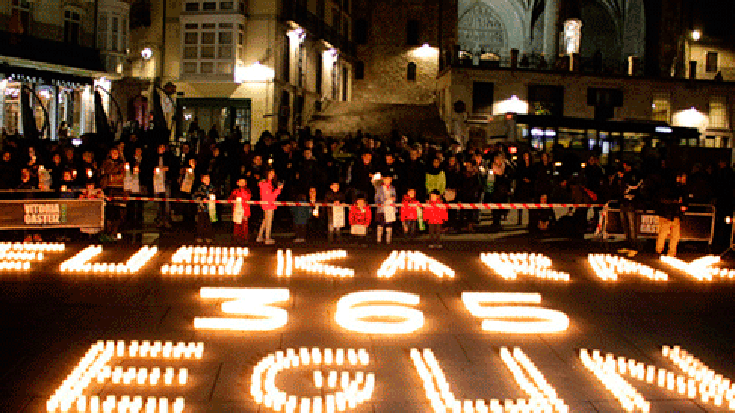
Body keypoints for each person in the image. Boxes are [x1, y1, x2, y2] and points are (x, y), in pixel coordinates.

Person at [655, 173, 687, 257]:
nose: (684, 180)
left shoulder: (681, 188)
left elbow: (684, 199)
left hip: (675, 214)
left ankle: (671, 252)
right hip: (667, 214)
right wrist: (676, 202)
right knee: (663, 233)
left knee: (675, 235)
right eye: (683, 178)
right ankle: (659, 250)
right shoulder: (669, 187)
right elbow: (662, 199)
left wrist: (683, 206)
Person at [257, 169, 283, 244]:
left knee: (265, 220)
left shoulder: (267, 183)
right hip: (269, 204)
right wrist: (278, 189)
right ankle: (267, 237)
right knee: (268, 221)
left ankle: (260, 236)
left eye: (273, 174)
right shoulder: (266, 184)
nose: (272, 175)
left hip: (267, 204)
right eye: (270, 173)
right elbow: (270, 196)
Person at [193, 173, 217, 243]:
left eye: (208, 178)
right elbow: (195, 196)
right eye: (205, 179)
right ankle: (200, 236)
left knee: (208, 223)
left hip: (210, 208)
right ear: (202, 180)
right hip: (201, 208)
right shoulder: (200, 188)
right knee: (201, 223)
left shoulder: (212, 187)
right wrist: (202, 199)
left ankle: (208, 236)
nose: (207, 180)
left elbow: (215, 194)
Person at [375, 174, 397, 244]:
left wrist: (393, 199)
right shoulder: (379, 188)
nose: (388, 181)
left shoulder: (392, 188)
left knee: (389, 224)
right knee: (380, 223)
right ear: (383, 180)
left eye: (389, 179)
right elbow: (376, 198)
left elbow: (395, 197)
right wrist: (381, 202)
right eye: (386, 179)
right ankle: (379, 239)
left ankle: (388, 240)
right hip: (382, 208)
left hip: (390, 208)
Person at [229, 176, 252, 244]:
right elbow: (230, 199)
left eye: (243, 182)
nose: (242, 184)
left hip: (245, 210)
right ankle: (236, 239)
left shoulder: (248, 190)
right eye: (241, 182)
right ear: (237, 183)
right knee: (237, 225)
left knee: (244, 225)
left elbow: (248, 197)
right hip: (237, 210)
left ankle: (245, 239)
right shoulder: (234, 191)